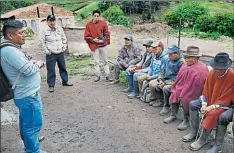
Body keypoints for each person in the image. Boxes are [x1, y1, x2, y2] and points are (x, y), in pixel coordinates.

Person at [1, 20, 47, 153]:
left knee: (27, 123)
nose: (24, 35)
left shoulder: (10, 47)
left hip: (25, 95)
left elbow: (22, 64)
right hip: (28, 95)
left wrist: (31, 62)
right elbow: (28, 70)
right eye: (21, 33)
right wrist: (37, 64)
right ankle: (33, 150)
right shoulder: (9, 50)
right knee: (32, 125)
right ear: (10, 36)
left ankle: (29, 146)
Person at [182, 52, 234, 152]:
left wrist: (213, 106)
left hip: (225, 105)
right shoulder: (212, 72)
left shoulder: (232, 76)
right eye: (215, 67)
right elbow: (205, 90)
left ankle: (203, 139)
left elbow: (229, 99)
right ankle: (193, 132)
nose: (216, 70)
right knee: (193, 104)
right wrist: (204, 103)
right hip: (210, 100)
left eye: (219, 68)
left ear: (225, 67)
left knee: (212, 113)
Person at [163, 46, 209, 131]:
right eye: (186, 57)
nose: (187, 59)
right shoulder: (185, 65)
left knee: (186, 97)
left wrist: (184, 91)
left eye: (189, 57)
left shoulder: (202, 68)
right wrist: (178, 88)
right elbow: (179, 79)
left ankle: (186, 119)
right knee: (175, 92)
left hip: (193, 91)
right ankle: (173, 115)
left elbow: (198, 86)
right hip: (182, 87)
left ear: (196, 58)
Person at [38, 14, 73, 93]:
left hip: (60, 52)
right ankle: (51, 85)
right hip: (51, 54)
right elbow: (41, 43)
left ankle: (65, 81)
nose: (52, 22)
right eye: (50, 21)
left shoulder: (59, 28)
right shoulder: (43, 30)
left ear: (55, 21)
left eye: (53, 20)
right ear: (47, 21)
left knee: (63, 68)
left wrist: (64, 48)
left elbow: (64, 38)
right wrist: (47, 51)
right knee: (51, 70)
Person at [150, 45, 185, 115]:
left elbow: (179, 78)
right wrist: (160, 78)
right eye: (168, 54)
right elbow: (163, 70)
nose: (169, 56)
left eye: (170, 54)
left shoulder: (182, 63)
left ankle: (166, 106)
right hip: (166, 79)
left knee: (165, 88)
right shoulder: (168, 59)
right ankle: (161, 101)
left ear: (177, 54)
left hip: (175, 82)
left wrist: (166, 83)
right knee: (154, 85)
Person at [84, 10, 112, 82]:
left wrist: (103, 40)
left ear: (99, 16)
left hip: (103, 45)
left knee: (105, 61)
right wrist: (93, 40)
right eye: (95, 16)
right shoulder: (88, 25)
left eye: (97, 16)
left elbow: (107, 33)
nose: (96, 17)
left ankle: (107, 75)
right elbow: (86, 36)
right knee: (96, 62)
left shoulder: (103, 23)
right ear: (92, 16)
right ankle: (97, 76)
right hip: (94, 45)